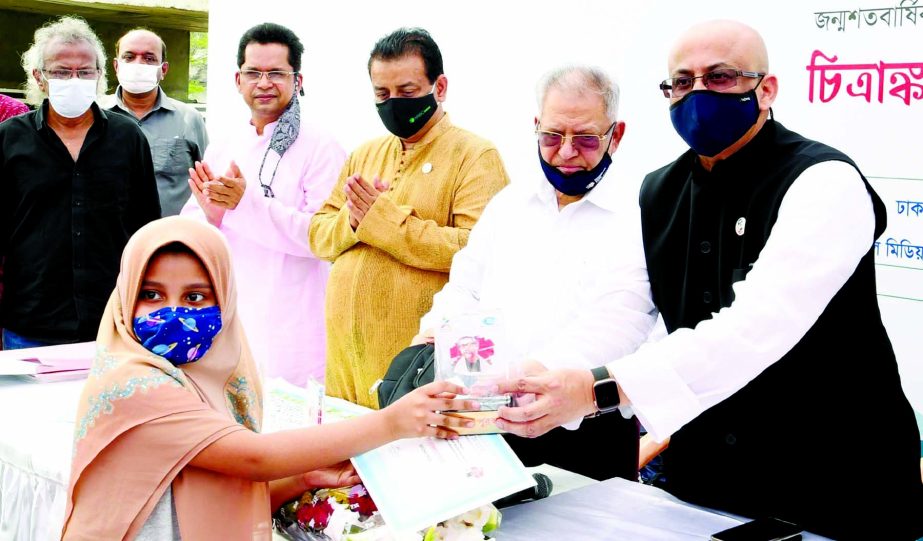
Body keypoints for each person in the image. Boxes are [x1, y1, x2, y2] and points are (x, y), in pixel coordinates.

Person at [495, 20, 923, 539]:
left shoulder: (824, 181)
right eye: (681, 81)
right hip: (706, 482)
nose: (696, 94)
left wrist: (597, 390)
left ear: (766, 89)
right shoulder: (659, 191)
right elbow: (626, 308)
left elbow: (755, 327)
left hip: (834, 480)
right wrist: (530, 379)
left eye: (719, 77)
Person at [61, 216, 474, 540]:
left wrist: (303, 479)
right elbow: (253, 458)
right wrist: (391, 423)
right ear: (124, 297)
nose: (173, 312)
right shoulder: (135, 383)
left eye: (194, 297)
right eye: (150, 295)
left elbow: (224, 488)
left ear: (224, 298)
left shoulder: (212, 379)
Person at [418, 65, 655, 481]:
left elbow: (620, 322)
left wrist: (524, 378)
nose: (565, 153)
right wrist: (439, 332)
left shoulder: (640, 215)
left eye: (584, 139)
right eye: (551, 137)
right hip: (487, 423)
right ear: (536, 127)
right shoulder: (509, 205)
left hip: (585, 429)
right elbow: (465, 287)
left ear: (615, 136)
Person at [309, 27, 509, 409]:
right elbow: (318, 235)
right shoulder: (364, 154)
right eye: (382, 95)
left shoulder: (476, 155)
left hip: (416, 363)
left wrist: (387, 223)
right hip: (345, 362)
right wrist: (353, 221)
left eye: (407, 92)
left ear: (440, 87)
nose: (393, 103)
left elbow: (478, 250)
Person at [182, 23, 344, 387]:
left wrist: (245, 206)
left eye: (276, 73)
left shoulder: (321, 147)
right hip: (234, 312)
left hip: (296, 322)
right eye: (253, 72)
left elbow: (325, 238)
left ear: (297, 80)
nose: (264, 82)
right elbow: (197, 227)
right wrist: (214, 218)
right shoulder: (224, 145)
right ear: (238, 80)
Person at [0, 16, 159, 350]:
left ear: (100, 75)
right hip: (30, 324)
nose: (74, 79)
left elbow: (146, 227)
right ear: (39, 77)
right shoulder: (9, 139)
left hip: (113, 321)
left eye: (85, 71)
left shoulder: (127, 137)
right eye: (60, 71)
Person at [106, 28, 209, 217]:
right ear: (116, 66)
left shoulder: (188, 119)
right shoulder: (95, 115)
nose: (138, 64)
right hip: (109, 240)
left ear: (163, 70)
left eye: (149, 58)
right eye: (129, 57)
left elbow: (207, 183)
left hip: (169, 239)